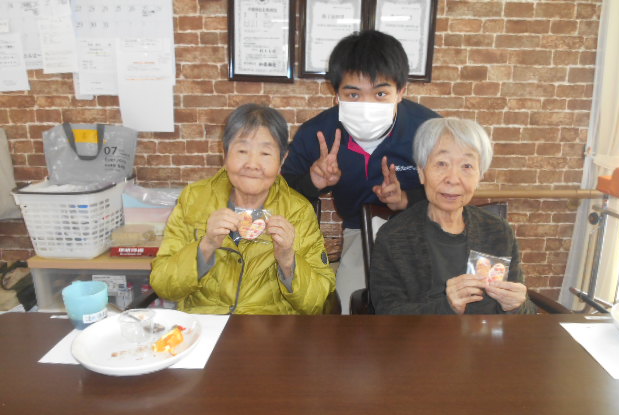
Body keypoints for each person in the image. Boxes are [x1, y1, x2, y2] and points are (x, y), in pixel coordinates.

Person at [282, 30, 440, 313]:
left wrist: (407, 199)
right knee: (348, 310)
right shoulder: (317, 133)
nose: (367, 105)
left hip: (422, 229)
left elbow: (455, 189)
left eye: (380, 93)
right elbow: (282, 192)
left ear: (401, 91)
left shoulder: (429, 130)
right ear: (336, 94)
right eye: (353, 94)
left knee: (427, 313)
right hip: (359, 231)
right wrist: (312, 182)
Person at [151, 104, 336, 314]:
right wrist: (206, 246)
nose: (252, 164)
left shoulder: (298, 211)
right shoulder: (194, 199)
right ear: (224, 153)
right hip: (207, 325)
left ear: (281, 160)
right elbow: (163, 285)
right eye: (242, 151)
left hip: (270, 328)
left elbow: (317, 302)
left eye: (265, 153)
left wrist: (288, 260)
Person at [369, 117, 536, 315]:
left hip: (488, 335)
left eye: (467, 166)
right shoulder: (394, 235)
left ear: (480, 176)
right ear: (421, 173)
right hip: (425, 335)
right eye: (441, 163)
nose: (453, 179)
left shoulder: (499, 231)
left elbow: (526, 313)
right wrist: (447, 306)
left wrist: (518, 306)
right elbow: (387, 314)